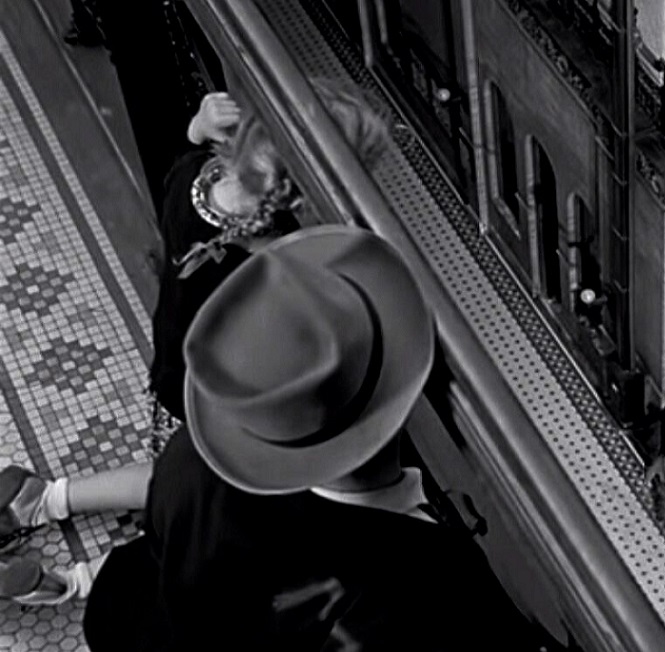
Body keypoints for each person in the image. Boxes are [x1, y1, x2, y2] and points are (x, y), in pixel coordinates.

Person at [3, 226, 543, 650]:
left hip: (154, 625)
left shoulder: (191, 460)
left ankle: (53, 530)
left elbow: (178, 538)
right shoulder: (429, 582)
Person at [0, 81, 390, 552]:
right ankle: (104, 550)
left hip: (176, 373)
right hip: (226, 411)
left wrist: (196, 127)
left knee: (171, 473)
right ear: (305, 199)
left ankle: (46, 497)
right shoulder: (281, 270)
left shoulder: (194, 180)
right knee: (201, 503)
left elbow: (188, 165)